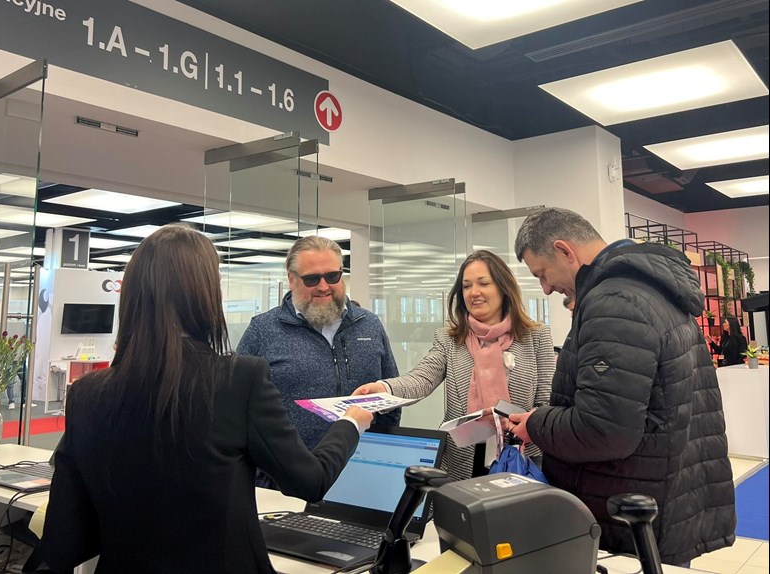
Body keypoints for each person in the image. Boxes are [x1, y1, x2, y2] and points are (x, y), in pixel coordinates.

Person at [37, 224, 373, 573]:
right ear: (205, 293)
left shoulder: (87, 394)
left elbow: (65, 533)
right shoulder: (238, 380)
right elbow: (310, 481)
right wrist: (350, 422)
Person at [508, 207, 735, 566]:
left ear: (565, 251)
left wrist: (536, 423)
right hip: (660, 497)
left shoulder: (614, 301)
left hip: (628, 516)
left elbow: (603, 430)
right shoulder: (646, 288)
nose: (546, 288)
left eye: (542, 274)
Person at [353, 250, 554, 482]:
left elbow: (547, 401)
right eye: (467, 286)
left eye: (483, 283)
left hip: (521, 458)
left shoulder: (535, 336)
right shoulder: (450, 338)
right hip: (462, 461)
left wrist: (530, 424)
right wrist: (383, 389)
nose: (474, 292)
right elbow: (421, 379)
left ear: (503, 288)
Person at [237, 236, 400, 489]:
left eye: (332, 276)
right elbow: (238, 412)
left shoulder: (369, 324)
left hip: (363, 478)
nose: (324, 287)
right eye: (312, 279)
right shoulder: (263, 330)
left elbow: (391, 396)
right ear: (292, 280)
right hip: (287, 486)